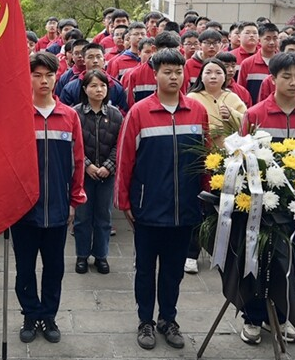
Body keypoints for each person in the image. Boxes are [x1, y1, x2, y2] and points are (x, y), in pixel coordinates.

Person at [116, 48, 208, 350]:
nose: (173, 77)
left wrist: (206, 197)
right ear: (154, 74)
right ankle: (145, 320)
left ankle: (168, 318)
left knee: (173, 269)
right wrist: (125, 202)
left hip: (185, 209)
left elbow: (205, 159)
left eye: (178, 71)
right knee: (145, 269)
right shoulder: (139, 112)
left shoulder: (197, 111)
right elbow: (125, 160)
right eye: (167, 71)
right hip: (148, 208)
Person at [238, 52, 295, 346]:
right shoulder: (255, 115)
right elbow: (243, 162)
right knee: (258, 259)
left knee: (291, 261)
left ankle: (283, 315)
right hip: (262, 204)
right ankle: (253, 317)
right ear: (272, 79)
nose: (293, 82)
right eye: (286, 76)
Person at [12, 52, 85, 345]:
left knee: (55, 267)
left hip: (57, 207)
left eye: (49, 75)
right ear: (27, 78)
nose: (43, 81)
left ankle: (49, 314)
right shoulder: (17, 116)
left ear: (57, 77)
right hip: (23, 210)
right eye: (37, 75)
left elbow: (78, 161)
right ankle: (30, 314)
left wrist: (73, 200)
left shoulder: (69, 116)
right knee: (25, 267)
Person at [185, 57, 248, 274]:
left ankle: (221, 253)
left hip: (227, 161)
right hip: (199, 161)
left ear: (226, 76)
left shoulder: (233, 98)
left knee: (223, 208)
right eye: (209, 72)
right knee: (197, 206)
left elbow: (247, 125)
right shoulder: (192, 98)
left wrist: (232, 116)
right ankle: (191, 253)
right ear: (200, 76)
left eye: (218, 73)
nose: (213, 76)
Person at [71, 69, 123, 275]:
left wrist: (107, 167)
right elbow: (73, 143)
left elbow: (119, 145)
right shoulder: (75, 113)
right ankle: (81, 255)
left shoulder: (115, 114)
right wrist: (87, 165)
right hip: (83, 175)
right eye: (93, 85)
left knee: (104, 217)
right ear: (85, 89)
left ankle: (101, 255)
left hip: (106, 176)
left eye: (102, 85)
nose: (98, 89)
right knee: (82, 217)